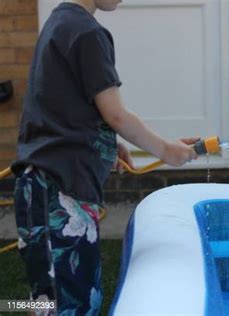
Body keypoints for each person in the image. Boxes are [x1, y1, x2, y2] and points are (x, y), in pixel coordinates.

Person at [11, 0, 198, 314]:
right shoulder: (87, 33)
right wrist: (167, 151)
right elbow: (116, 115)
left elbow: (64, 104)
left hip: (48, 188)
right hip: (58, 191)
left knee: (50, 299)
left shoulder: (61, 23)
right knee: (69, 303)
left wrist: (104, 144)